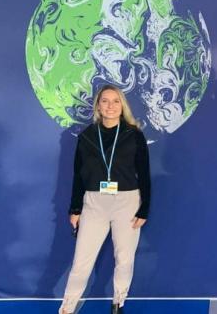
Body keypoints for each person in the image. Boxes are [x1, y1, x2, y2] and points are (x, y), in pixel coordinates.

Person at [59, 85, 151, 314]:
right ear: (98, 105)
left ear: (122, 106)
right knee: (81, 263)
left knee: (124, 258)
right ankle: (67, 308)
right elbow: (78, 175)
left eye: (116, 101)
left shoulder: (134, 135)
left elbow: (144, 174)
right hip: (94, 203)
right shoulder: (87, 137)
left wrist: (144, 209)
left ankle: (118, 303)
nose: (110, 106)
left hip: (127, 202)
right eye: (105, 101)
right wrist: (75, 208)